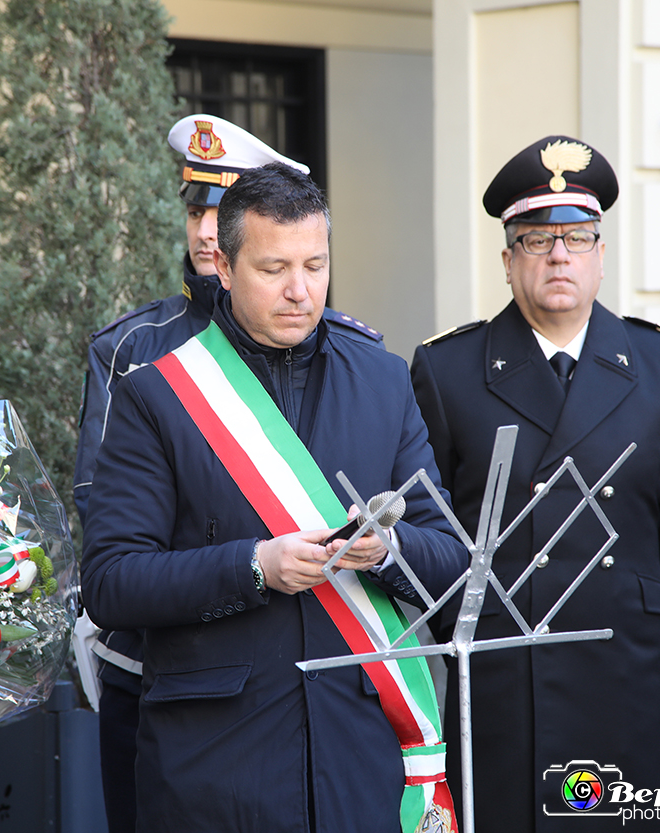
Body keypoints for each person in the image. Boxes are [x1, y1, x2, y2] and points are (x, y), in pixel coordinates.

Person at [81, 163, 468, 833]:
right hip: (216, 765)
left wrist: (387, 549)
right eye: (273, 268)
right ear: (223, 269)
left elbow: (450, 557)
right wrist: (254, 565)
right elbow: (111, 583)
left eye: (316, 265)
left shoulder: (382, 378)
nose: (300, 290)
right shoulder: (158, 395)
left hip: (360, 755)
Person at [410, 136, 660, 832]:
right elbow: (430, 528)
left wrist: (630, 595)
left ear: (601, 255)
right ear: (509, 258)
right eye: (537, 239)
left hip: (621, 661)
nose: (559, 256)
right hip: (504, 672)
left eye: (577, 237)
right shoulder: (448, 371)